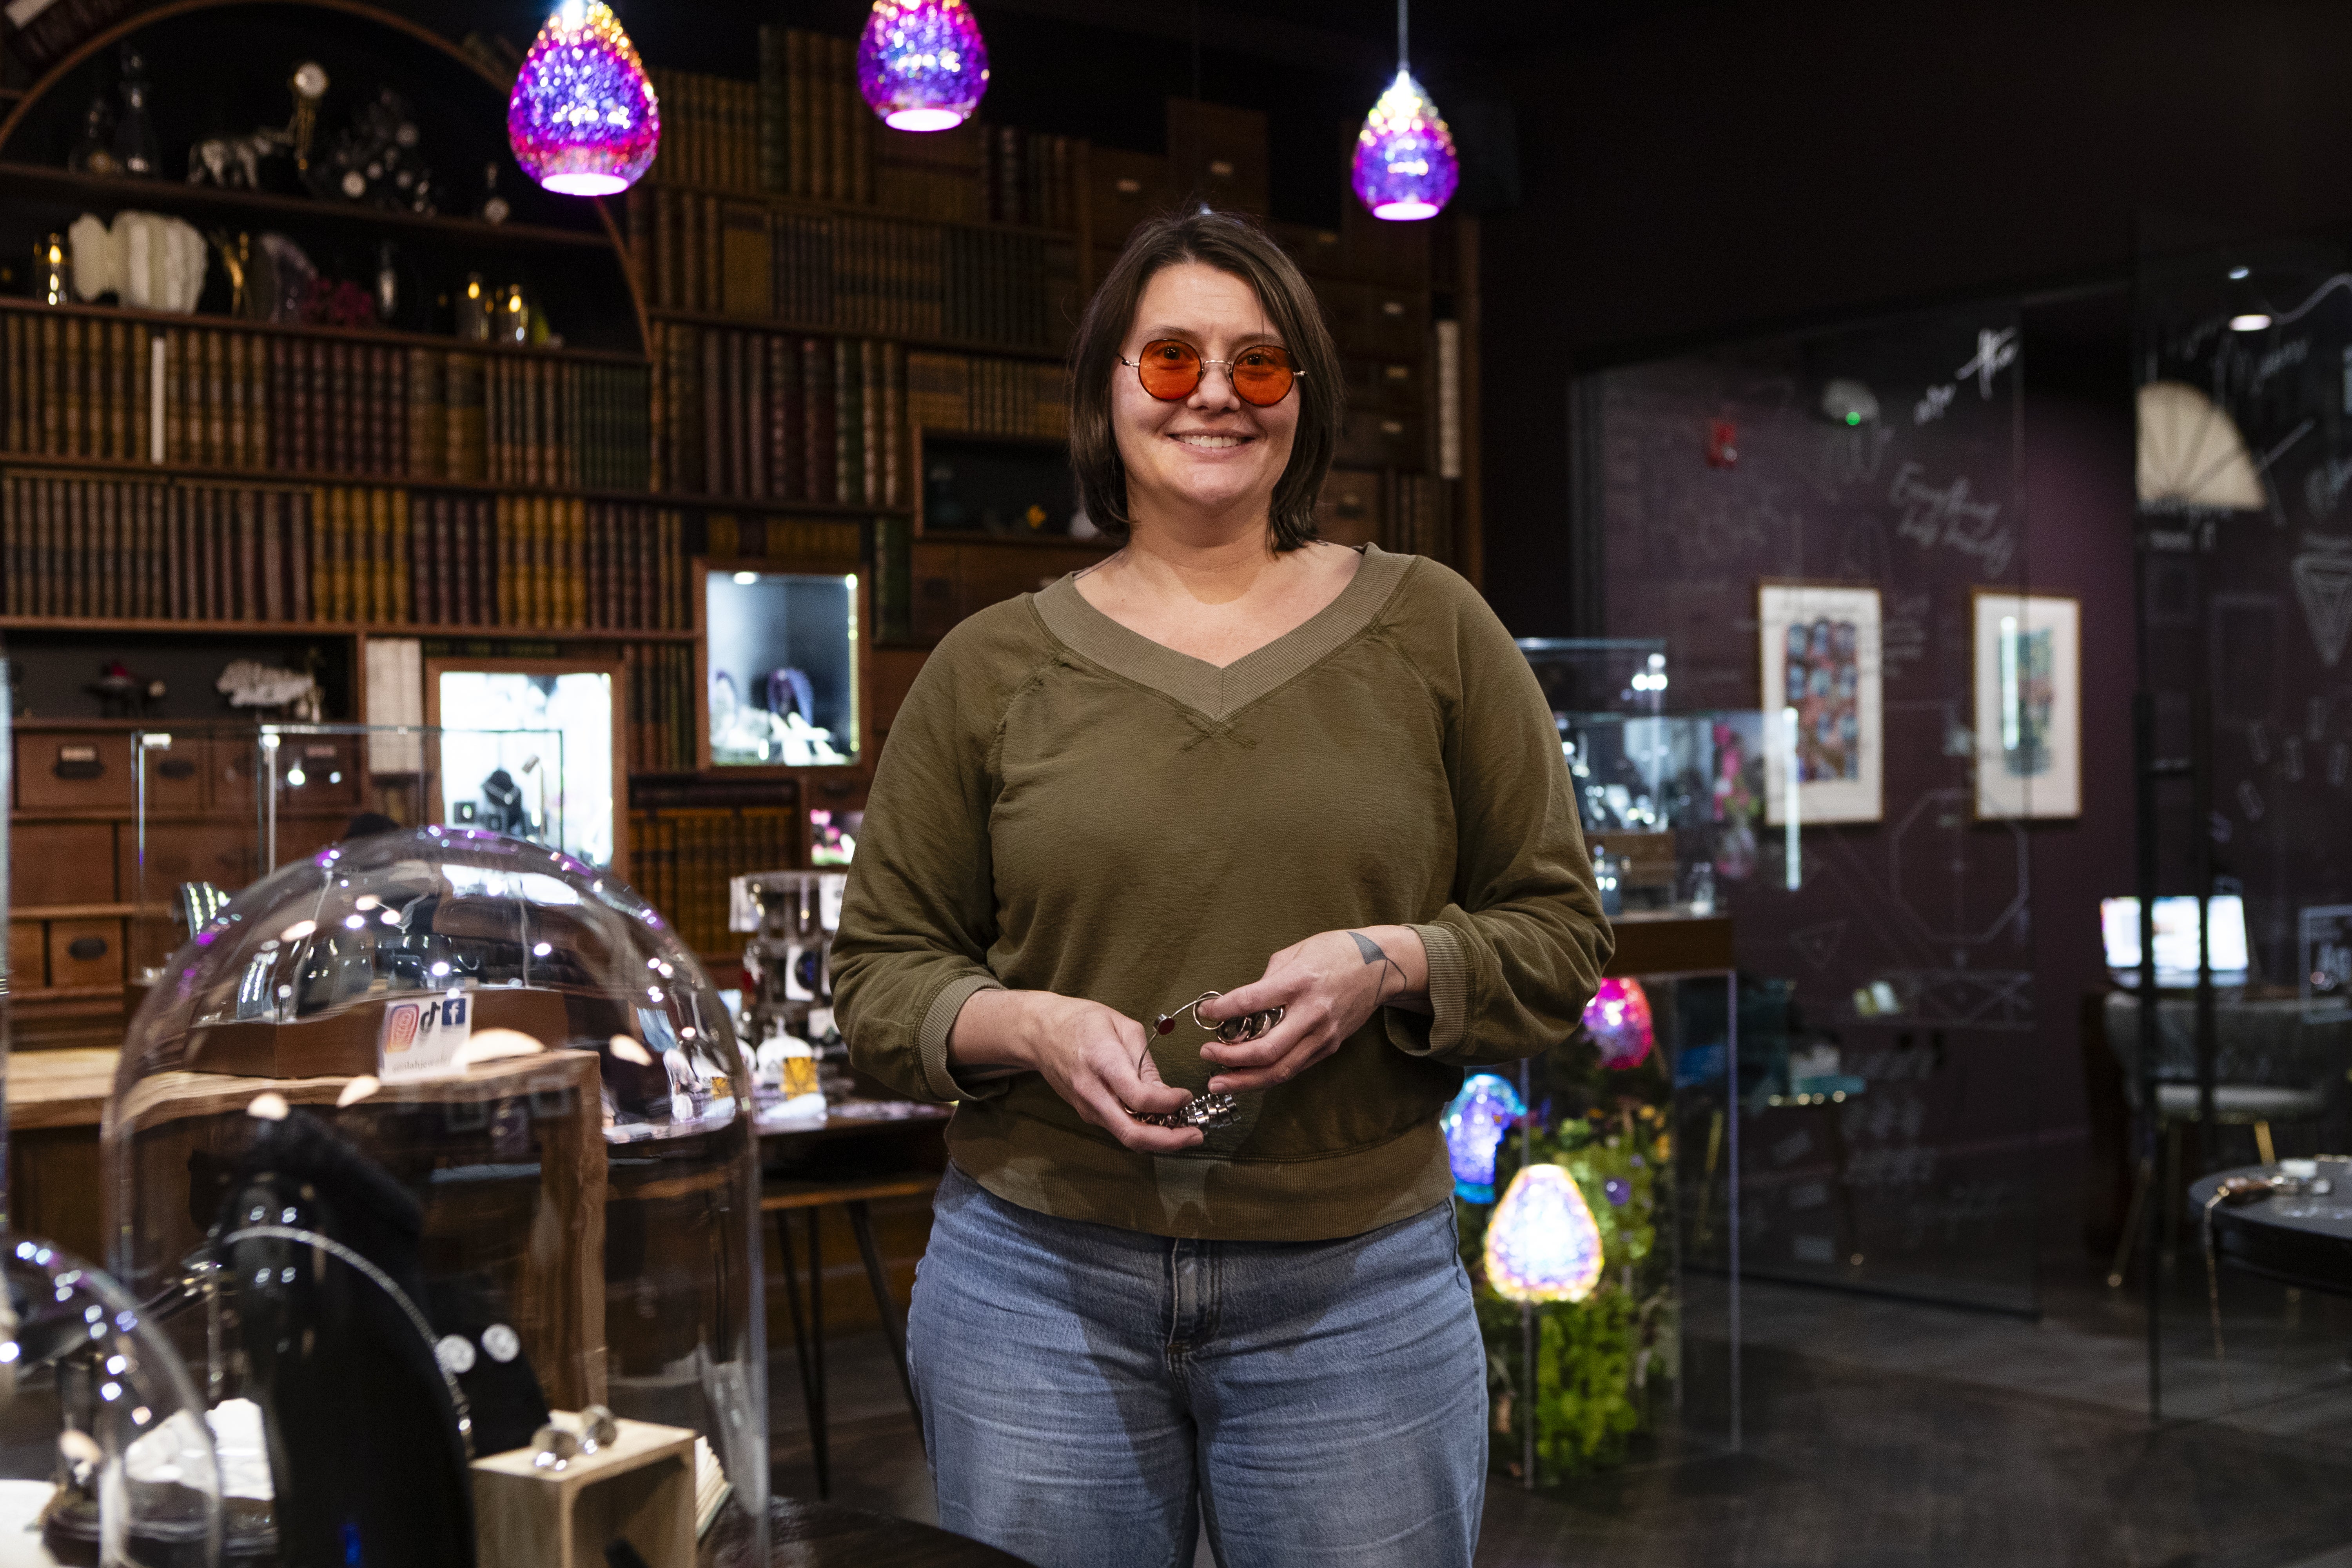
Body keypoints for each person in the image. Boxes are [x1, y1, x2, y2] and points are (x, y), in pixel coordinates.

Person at [831, 209, 1610, 1568]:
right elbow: (880, 976)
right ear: (1106, 392)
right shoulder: (988, 668)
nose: (1212, 394)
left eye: (1258, 366)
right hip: (1035, 1284)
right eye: (1172, 356)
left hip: (1356, 1287)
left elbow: (1558, 938)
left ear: (1303, 401)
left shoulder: (1434, 629)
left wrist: (1391, 962)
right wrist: (1032, 1027)